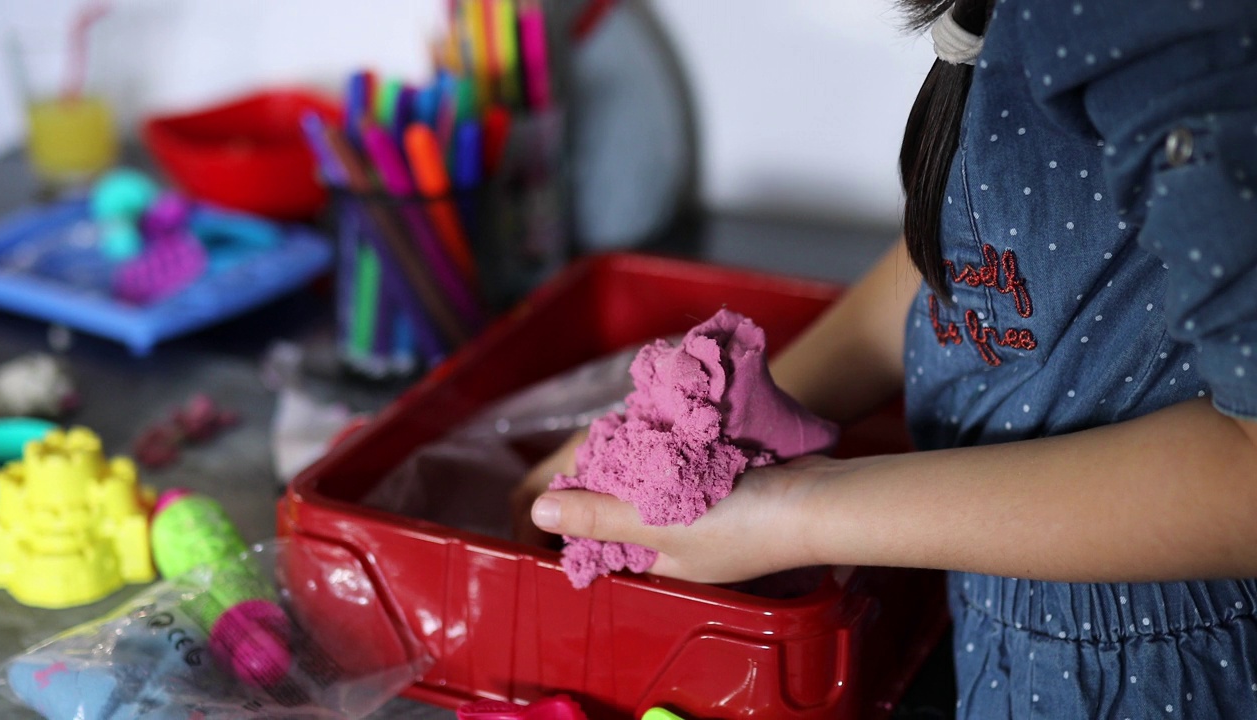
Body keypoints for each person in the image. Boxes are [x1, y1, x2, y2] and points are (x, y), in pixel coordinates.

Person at [513, 0, 1257, 716]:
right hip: (1011, 621)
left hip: (1170, 669)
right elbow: (986, 256)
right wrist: (719, 422)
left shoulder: (1158, 17)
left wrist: (791, 512)